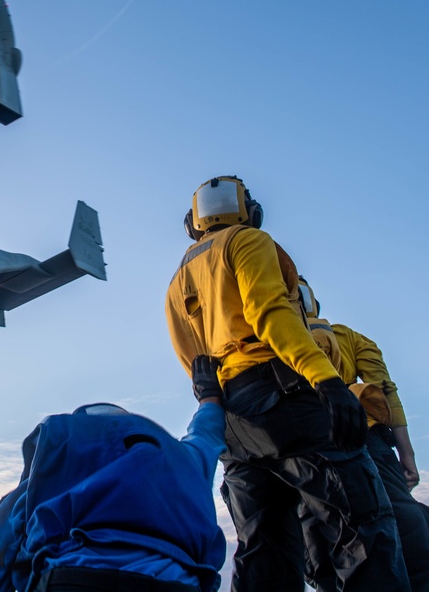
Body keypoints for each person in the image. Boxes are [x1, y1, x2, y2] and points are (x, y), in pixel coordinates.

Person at [164, 175, 409, 591]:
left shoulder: (177, 279)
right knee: (362, 526)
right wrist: (325, 380)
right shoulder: (248, 241)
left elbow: (193, 359)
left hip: (230, 420)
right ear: (250, 212)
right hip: (287, 400)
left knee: (263, 548)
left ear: (193, 222)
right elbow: (270, 314)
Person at [0, 376, 227, 592]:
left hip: (73, 580)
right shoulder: (177, 462)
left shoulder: (54, 468)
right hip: (176, 584)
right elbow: (205, 437)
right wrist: (209, 398)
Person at [295, 277, 429, 592]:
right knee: (407, 534)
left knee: (321, 544)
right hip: (362, 440)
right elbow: (386, 392)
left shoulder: (260, 342)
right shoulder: (345, 337)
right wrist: (407, 456)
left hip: (297, 450)